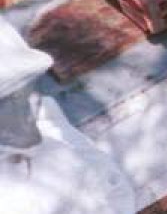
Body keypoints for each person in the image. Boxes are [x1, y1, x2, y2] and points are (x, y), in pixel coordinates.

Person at [0, 15, 136, 213]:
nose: (30, 102)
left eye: (27, 91)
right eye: (8, 100)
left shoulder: (46, 135)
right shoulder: (17, 198)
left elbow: (114, 189)